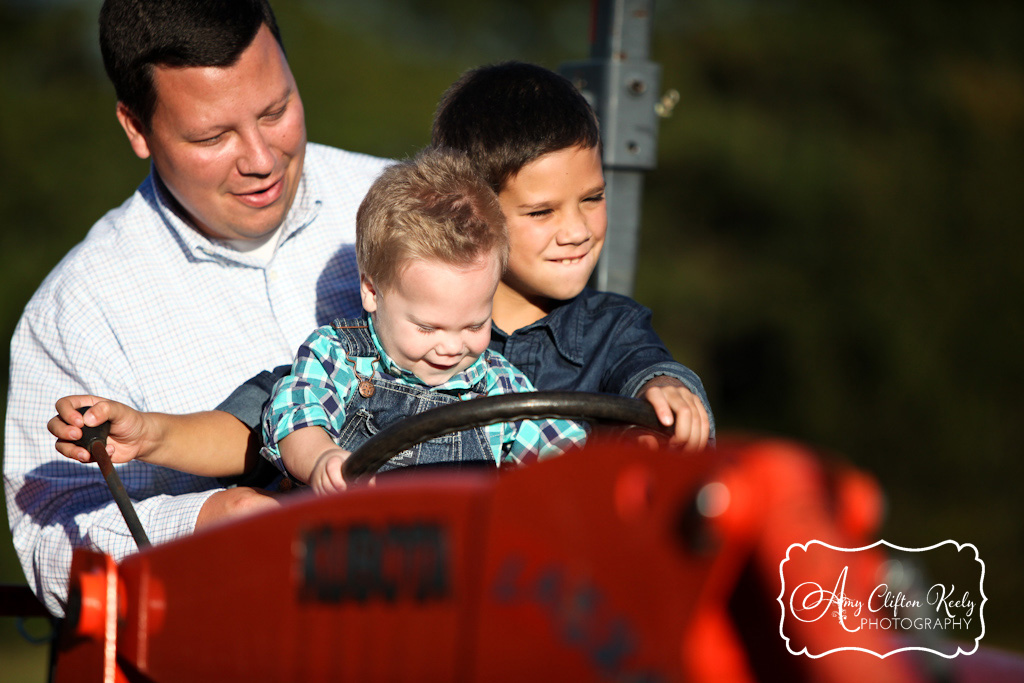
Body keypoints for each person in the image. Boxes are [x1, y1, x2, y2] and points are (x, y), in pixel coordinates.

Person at [5, 0, 390, 616]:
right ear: (135, 128)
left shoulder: (416, 209)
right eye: (213, 136)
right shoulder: (75, 310)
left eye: (277, 111)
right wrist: (209, 519)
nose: (261, 159)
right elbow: (52, 531)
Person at [264, 148, 586, 493]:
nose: (451, 347)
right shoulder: (337, 357)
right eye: (428, 328)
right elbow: (295, 416)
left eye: (475, 325)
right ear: (372, 292)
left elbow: (562, 450)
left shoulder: (495, 384)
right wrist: (320, 458)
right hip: (355, 536)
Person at [430, 61, 714, 447]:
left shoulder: (613, 329)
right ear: (467, 213)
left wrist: (664, 391)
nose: (578, 232)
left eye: (593, 198)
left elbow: (644, 366)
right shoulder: (419, 329)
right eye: (542, 212)